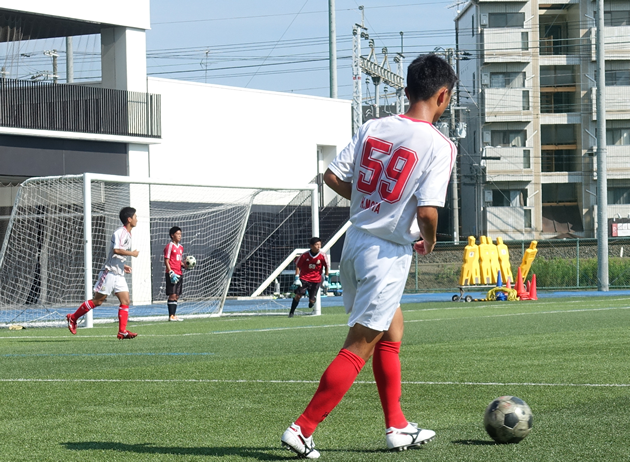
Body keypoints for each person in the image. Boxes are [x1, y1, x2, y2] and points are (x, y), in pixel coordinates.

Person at [281, 54, 457, 459]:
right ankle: (303, 428)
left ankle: (396, 425)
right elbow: (428, 212)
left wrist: (369, 202)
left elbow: (331, 175)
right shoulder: (438, 144)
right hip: (388, 253)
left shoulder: (373, 126)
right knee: (360, 344)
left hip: (355, 242)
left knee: (391, 329)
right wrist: (428, 241)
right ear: (443, 96)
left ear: (407, 90)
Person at [66, 207, 140, 339]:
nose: (137, 219)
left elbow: (116, 254)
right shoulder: (120, 232)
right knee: (98, 301)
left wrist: (123, 266)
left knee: (126, 300)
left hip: (118, 273)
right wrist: (132, 254)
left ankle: (122, 331)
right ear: (129, 219)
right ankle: (73, 317)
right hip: (109, 273)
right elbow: (116, 250)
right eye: (135, 217)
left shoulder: (128, 234)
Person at [289, 237, 329, 318]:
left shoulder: (322, 255)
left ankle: (312, 301)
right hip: (304, 278)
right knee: (297, 296)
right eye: (317, 244)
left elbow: (327, 266)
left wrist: (326, 279)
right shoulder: (304, 255)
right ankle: (291, 313)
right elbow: (298, 265)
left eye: (320, 244)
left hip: (316, 280)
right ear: (311, 245)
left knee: (311, 300)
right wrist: (297, 278)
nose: (319, 246)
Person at [164, 226, 185, 321]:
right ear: (172, 235)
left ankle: (174, 315)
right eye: (177, 234)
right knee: (172, 294)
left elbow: (179, 261)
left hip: (179, 273)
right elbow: (167, 260)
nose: (179, 236)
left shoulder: (181, 247)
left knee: (177, 295)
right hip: (172, 273)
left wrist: (185, 265)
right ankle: (171, 315)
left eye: (180, 234)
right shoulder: (170, 246)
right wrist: (170, 272)